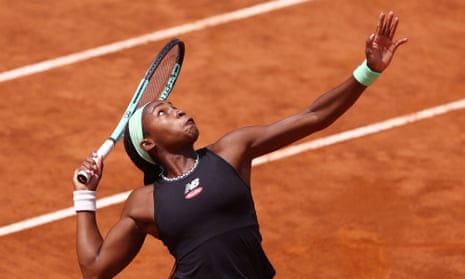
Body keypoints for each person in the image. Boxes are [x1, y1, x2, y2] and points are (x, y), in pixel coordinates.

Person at [73, 11, 408, 279]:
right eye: (165, 112)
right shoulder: (144, 202)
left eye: (174, 106)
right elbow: (96, 268)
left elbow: (314, 116)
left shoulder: (231, 151)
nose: (180, 111)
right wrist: (85, 196)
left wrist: (368, 71)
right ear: (148, 143)